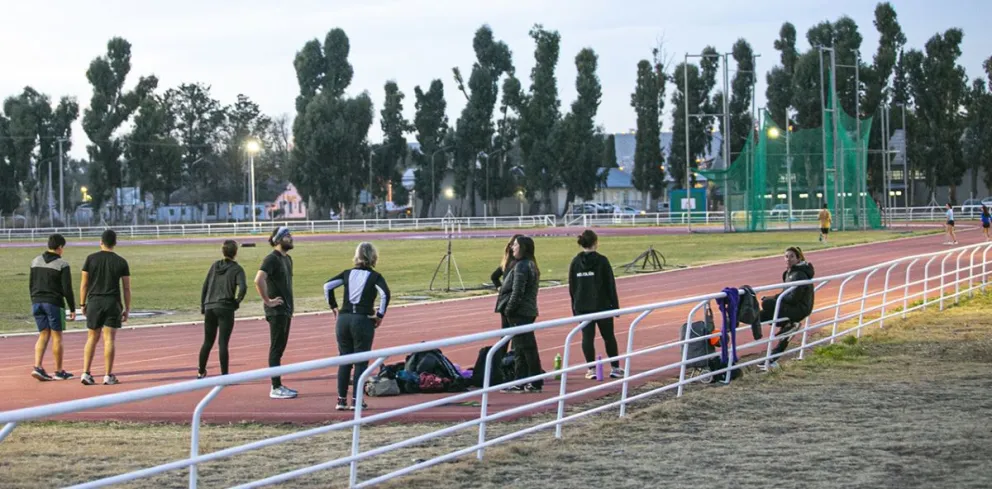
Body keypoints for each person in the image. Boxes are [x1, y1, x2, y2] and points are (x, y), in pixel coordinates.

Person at [324, 242, 391, 411]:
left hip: (343, 320)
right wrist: (380, 316)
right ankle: (356, 400)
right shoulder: (375, 276)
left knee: (344, 359)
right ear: (373, 257)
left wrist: (333, 306)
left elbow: (327, 286)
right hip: (362, 320)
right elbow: (385, 294)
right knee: (361, 361)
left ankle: (341, 400)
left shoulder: (347, 274)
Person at [567, 230, 623, 380]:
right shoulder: (602, 261)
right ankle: (615, 368)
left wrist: (574, 307)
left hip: (582, 306)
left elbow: (572, 287)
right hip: (602, 305)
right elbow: (610, 285)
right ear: (596, 242)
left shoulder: (575, 262)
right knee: (608, 336)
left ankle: (591, 369)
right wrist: (615, 307)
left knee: (587, 337)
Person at [79, 229, 131, 386]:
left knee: (92, 337)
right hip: (112, 302)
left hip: (94, 301)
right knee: (109, 339)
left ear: (100, 242)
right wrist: (127, 309)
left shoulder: (90, 259)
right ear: (115, 243)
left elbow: (84, 284)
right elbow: (126, 288)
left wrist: (82, 304)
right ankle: (108, 375)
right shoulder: (121, 261)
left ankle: (86, 372)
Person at [495, 236, 543, 393]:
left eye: (515, 245)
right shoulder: (530, 264)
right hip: (526, 311)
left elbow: (517, 292)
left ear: (522, 248)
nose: (512, 248)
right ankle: (523, 380)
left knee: (526, 349)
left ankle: (532, 381)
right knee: (522, 349)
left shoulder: (522, 266)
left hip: (520, 312)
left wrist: (508, 310)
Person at [254, 227, 297, 399]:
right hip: (276, 311)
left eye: (291, 235)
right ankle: (275, 387)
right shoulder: (271, 259)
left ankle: (278, 385)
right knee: (276, 348)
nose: (291, 238)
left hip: (286, 310)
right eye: (287, 236)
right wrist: (268, 301)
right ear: (278, 239)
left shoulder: (288, 259)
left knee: (280, 348)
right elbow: (258, 279)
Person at [758, 246, 815, 370]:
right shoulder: (789, 273)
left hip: (800, 309)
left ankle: (791, 324)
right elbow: (786, 294)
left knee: (767, 304)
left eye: (792, 257)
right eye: (786, 256)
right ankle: (772, 359)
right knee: (762, 315)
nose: (788, 259)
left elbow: (793, 298)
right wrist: (774, 298)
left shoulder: (799, 274)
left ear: (799, 259)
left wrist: (773, 299)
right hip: (792, 307)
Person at [29, 233, 77, 381]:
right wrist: (72, 308)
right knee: (57, 336)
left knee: (43, 334)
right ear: (60, 247)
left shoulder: (35, 261)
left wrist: (34, 300)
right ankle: (59, 371)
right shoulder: (62, 264)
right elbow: (67, 288)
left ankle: (38, 367)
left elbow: (31, 284)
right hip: (54, 303)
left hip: (37, 301)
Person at [198, 240, 247, 379]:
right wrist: (237, 302)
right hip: (225, 307)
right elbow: (243, 288)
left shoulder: (214, 266)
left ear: (223, 251)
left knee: (207, 341)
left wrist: (203, 305)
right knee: (223, 343)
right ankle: (224, 375)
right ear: (235, 252)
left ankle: (201, 371)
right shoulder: (237, 269)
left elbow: (205, 286)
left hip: (210, 306)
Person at [490, 234, 523, 361]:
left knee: (505, 333)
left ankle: (500, 360)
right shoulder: (517, 264)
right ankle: (513, 361)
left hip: (503, 302)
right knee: (516, 334)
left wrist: (500, 288)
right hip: (512, 302)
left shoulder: (506, 262)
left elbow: (494, 276)